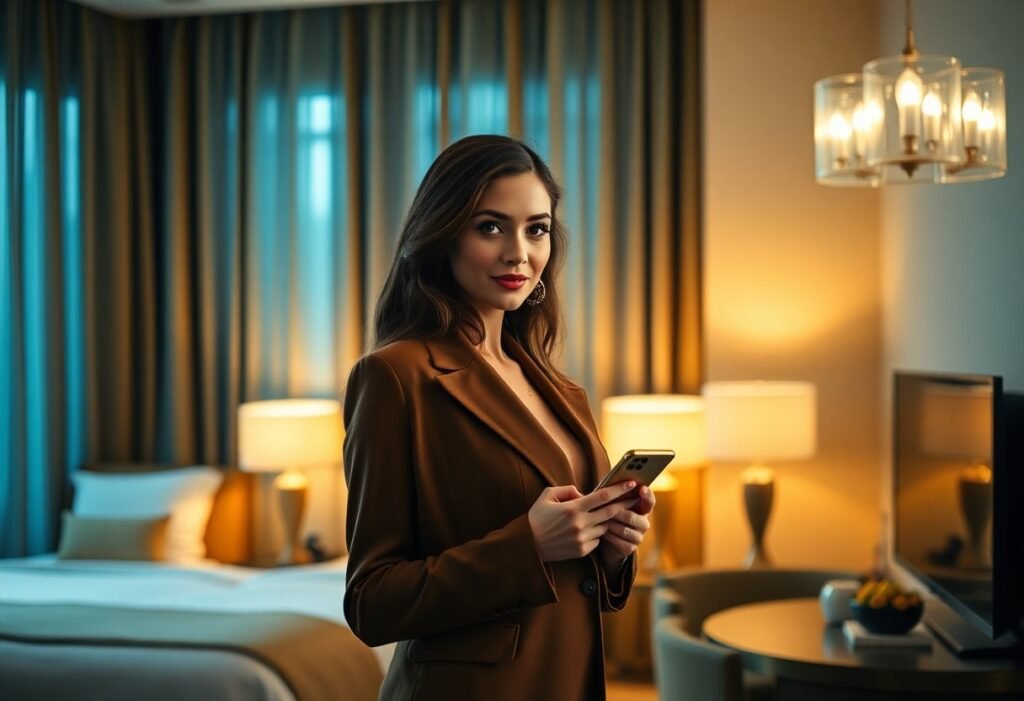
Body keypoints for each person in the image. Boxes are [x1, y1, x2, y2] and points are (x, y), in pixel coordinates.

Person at [342, 134, 656, 701]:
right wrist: (527, 546)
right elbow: (371, 601)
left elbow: (573, 574)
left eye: (536, 229)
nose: (519, 253)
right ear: (443, 235)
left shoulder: (561, 389)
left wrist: (611, 548)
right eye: (490, 227)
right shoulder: (395, 377)